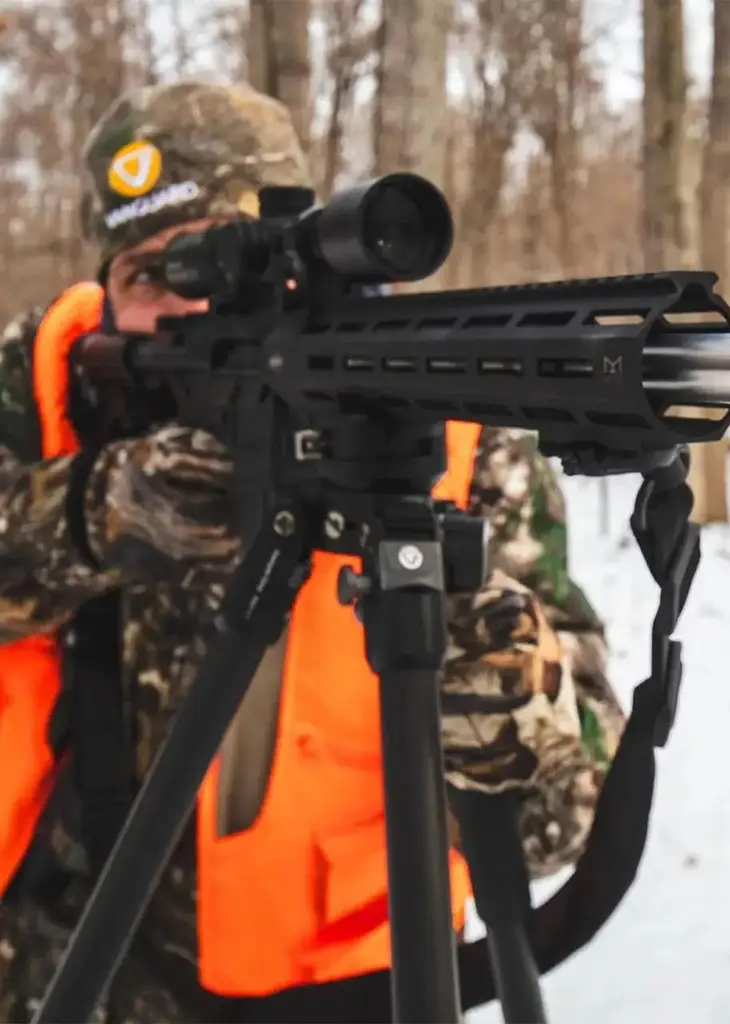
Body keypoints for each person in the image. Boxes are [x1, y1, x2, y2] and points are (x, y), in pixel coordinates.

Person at [0, 81, 625, 1023]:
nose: (183, 305)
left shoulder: (434, 417)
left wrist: (496, 691)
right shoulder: (46, 381)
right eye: (144, 275)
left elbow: (564, 819)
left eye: (215, 263)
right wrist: (97, 510)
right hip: (61, 957)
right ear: (103, 296)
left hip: (341, 976)